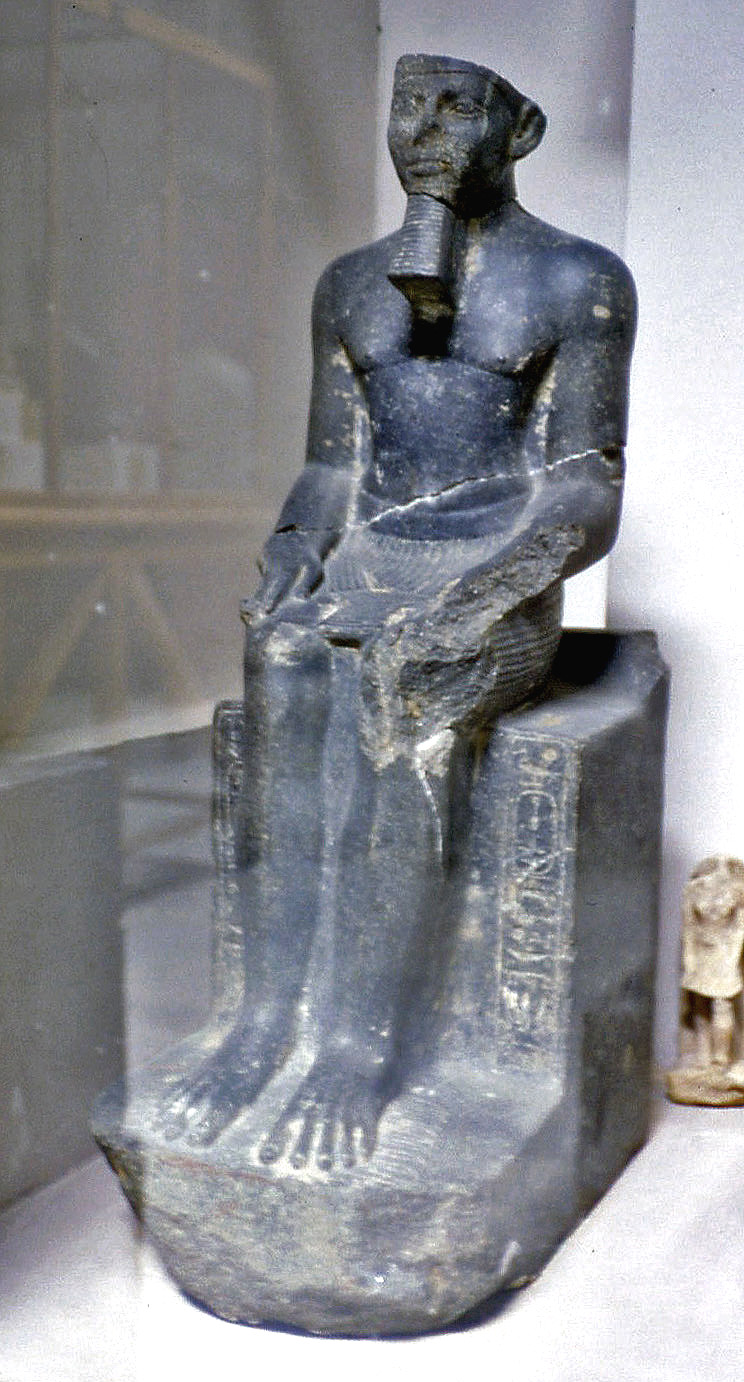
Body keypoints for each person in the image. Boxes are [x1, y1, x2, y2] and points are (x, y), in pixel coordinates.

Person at [159, 53, 636, 1168]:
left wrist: (475, 596)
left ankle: (357, 1048)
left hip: (498, 570)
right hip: (371, 563)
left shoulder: (580, 280)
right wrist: (293, 549)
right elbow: (333, 468)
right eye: (408, 106)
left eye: (458, 109)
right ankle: (265, 1022)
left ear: (519, 132)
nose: (426, 132)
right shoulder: (349, 285)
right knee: (282, 661)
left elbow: (585, 490)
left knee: (405, 688)